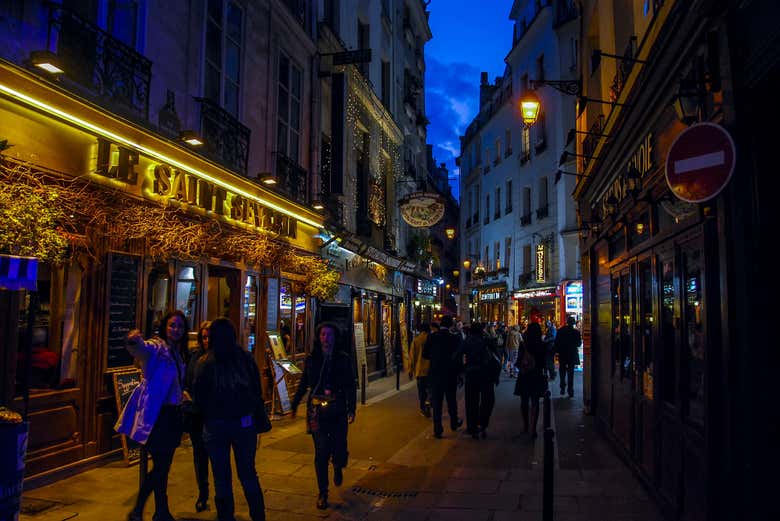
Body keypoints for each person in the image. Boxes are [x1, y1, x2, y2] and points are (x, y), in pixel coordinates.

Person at [117, 310, 189, 521]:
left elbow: (174, 382)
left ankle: (159, 511)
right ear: (165, 327)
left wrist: (183, 396)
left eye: (180, 327)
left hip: (172, 414)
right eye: (172, 325)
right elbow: (141, 349)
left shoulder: (177, 352)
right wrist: (133, 341)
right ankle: (141, 510)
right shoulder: (157, 347)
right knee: (161, 466)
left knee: (162, 467)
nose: (176, 330)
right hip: (158, 416)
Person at [192, 318, 265, 521]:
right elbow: (257, 391)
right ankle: (258, 516)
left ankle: (226, 516)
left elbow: (199, 397)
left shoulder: (204, 362)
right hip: (244, 423)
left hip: (215, 425)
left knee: (221, 477)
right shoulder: (246, 359)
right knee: (248, 473)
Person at [291, 323, 356, 510]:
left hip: (337, 409)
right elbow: (304, 383)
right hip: (317, 411)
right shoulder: (313, 359)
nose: (325, 338)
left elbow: (350, 385)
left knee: (339, 447)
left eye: (328, 335)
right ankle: (323, 492)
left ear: (335, 337)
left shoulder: (343, 359)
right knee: (321, 451)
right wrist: (295, 404)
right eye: (322, 334)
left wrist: (352, 408)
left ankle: (337, 464)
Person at [183, 321, 212, 513]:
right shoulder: (195, 356)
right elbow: (186, 380)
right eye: (204, 336)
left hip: (214, 415)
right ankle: (203, 493)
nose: (207, 340)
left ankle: (221, 495)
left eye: (210, 336)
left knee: (217, 456)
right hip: (195, 413)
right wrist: (185, 392)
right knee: (199, 455)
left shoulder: (223, 358)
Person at [422, 315, 463, 438]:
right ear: (451, 325)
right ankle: (454, 423)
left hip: (435, 374)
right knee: (451, 400)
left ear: (440, 324)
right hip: (450, 373)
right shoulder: (455, 338)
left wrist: (435, 359)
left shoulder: (432, 337)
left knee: (437, 401)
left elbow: (425, 354)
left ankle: (437, 429)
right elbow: (459, 357)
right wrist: (459, 373)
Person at [459, 323, 498, 439]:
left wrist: (461, 370)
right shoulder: (486, 340)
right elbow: (495, 350)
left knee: (471, 401)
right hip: (486, 374)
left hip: (471, 374)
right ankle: (483, 423)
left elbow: (457, 354)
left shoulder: (467, 341)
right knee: (488, 400)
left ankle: (472, 427)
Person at [513, 322, 548, 440]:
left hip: (525, 375)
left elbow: (518, 361)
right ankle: (533, 429)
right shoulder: (542, 345)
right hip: (537, 375)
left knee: (524, 401)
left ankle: (526, 426)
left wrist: (523, 367)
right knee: (535, 401)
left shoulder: (524, 345)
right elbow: (544, 363)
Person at [555, 316, 582, 397]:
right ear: (573, 323)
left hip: (562, 354)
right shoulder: (576, 332)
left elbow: (556, 342)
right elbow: (579, 344)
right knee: (571, 373)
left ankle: (562, 387)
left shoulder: (560, 331)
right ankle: (570, 389)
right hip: (572, 354)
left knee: (562, 371)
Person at [408, 323, 432, 417]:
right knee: (430, 389)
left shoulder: (416, 340)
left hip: (420, 370)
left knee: (421, 391)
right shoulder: (431, 339)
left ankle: (423, 408)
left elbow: (412, 356)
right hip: (431, 369)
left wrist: (410, 370)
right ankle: (428, 402)